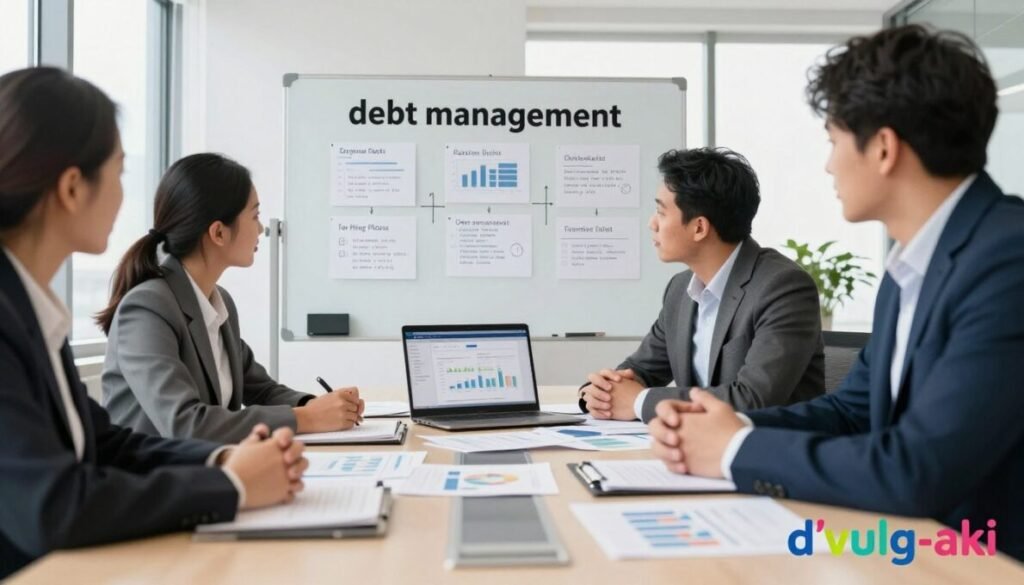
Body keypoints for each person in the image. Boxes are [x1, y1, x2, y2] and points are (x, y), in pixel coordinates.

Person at [648, 25, 1024, 560]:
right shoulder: (911, 268)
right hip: (923, 550)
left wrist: (735, 448)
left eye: (833, 140)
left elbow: (919, 469)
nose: (827, 164)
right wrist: (720, 425)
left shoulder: (1007, 261)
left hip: (985, 561)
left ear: (884, 149)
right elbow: (851, 411)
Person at [0, 67, 308, 578]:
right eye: (119, 172)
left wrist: (221, 463)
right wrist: (230, 486)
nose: (126, 197)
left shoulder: (30, 311)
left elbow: (106, 444)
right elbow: (54, 505)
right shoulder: (17, 318)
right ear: (73, 188)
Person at [98, 153, 364, 443]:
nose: (261, 229)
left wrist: (316, 406)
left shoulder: (217, 302)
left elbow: (262, 390)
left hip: (209, 464)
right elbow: (186, 424)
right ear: (219, 233)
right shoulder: (147, 309)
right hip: (157, 470)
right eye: (255, 216)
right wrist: (308, 418)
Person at [579, 147, 824, 422]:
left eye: (661, 212)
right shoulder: (680, 289)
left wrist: (639, 402)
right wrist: (602, 392)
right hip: (700, 445)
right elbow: (642, 369)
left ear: (699, 228)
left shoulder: (782, 287)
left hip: (770, 445)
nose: (652, 223)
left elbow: (754, 399)